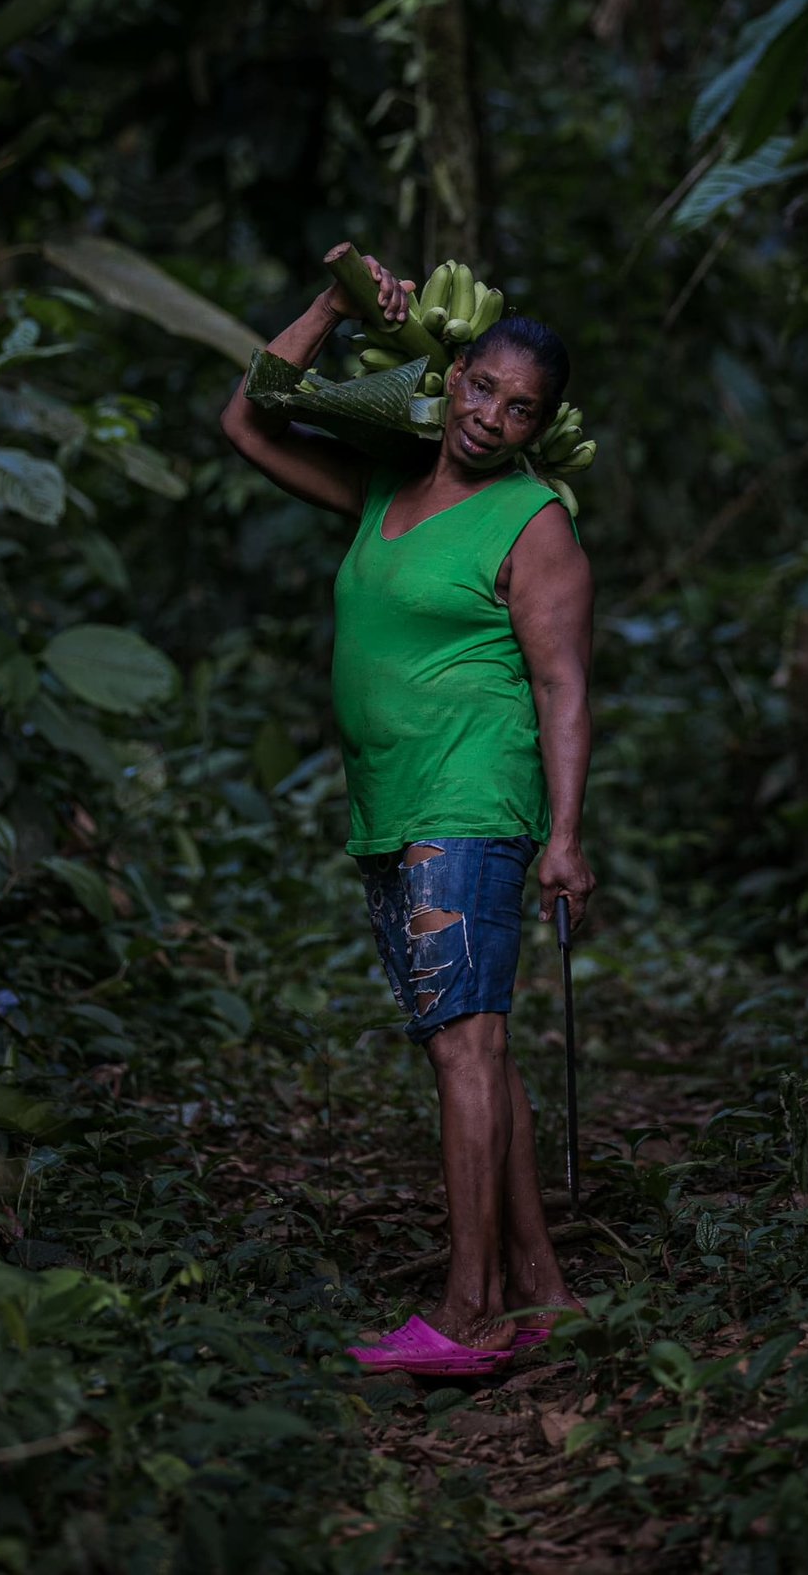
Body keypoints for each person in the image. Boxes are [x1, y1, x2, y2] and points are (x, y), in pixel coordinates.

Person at [220, 242, 595, 1373]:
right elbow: (246, 419)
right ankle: (541, 1291)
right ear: (453, 373)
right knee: (473, 1042)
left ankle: (468, 1311)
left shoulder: (534, 527)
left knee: (463, 1048)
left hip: (471, 799)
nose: (489, 416)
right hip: (391, 806)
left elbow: (563, 681)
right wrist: (331, 303)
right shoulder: (388, 485)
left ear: (541, 427)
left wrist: (566, 831)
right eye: (480, 386)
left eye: (519, 409)